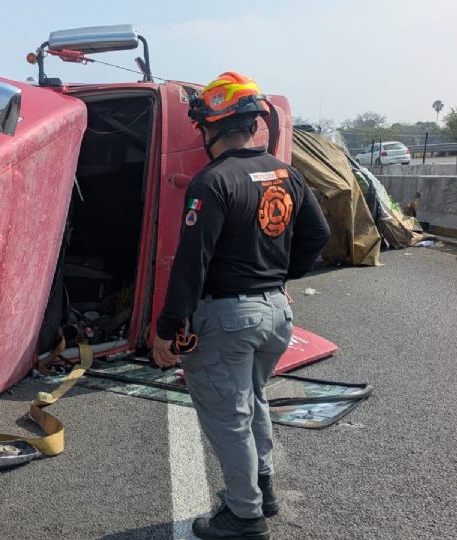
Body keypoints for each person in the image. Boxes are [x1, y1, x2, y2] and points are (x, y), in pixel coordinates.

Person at [153, 72, 330, 540]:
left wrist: (168, 328)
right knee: (253, 402)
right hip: (274, 312)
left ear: (211, 127)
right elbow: (317, 235)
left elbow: (192, 261)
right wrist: (278, 278)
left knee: (228, 417)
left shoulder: (212, 182)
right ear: (253, 124)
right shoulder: (285, 173)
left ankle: (245, 515)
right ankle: (263, 489)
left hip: (229, 318)